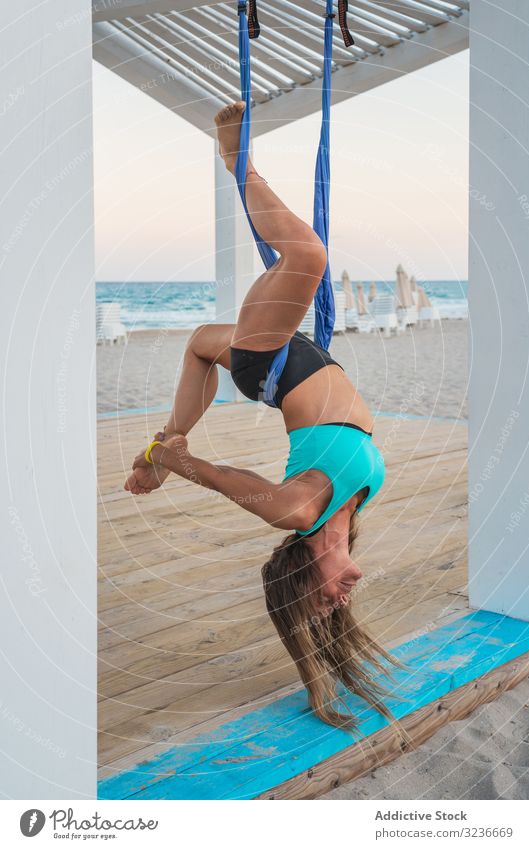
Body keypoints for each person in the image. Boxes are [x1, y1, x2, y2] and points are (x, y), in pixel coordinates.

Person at [125, 102, 400, 727]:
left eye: (321, 606)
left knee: (305, 255)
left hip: (273, 364)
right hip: (294, 358)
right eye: (334, 613)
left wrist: (178, 461)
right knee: (199, 340)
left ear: (302, 578)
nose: (339, 602)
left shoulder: (299, 511)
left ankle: (235, 161)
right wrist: (162, 455)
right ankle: (159, 447)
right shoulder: (347, 514)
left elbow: (224, 477)